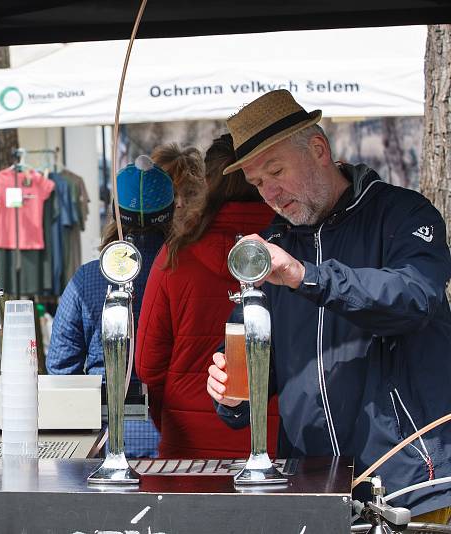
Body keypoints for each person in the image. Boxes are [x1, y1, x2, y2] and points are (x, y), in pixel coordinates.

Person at [206, 89, 451, 520]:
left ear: (319, 150)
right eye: (259, 183)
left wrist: (308, 277)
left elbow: (416, 297)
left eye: (276, 171)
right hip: (311, 490)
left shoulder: (402, 214)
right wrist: (232, 395)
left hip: (410, 485)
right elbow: (255, 368)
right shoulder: (272, 244)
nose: (271, 194)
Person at [46, 147, 199, 457]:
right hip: (182, 436)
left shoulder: (86, 279)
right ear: (172, 211)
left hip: (106, 440)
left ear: (116, 211)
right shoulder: (191, 272)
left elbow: (61, 370)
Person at [135, 134, 278, 459]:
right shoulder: (293, 252)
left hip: (187, 446)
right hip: (274, 440)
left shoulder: (176, 254)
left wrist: (170, 414)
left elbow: (146, 364)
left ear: (208, 180)